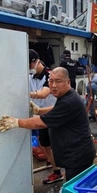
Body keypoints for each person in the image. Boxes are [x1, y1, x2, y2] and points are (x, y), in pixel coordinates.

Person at [0, 67, 95, 182]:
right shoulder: (67, 95)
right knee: (76, 188)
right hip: (76, 153)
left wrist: (15, 122)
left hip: (78, 156)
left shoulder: (69, 101)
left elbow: (40, 123)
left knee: (76, 192)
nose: (53, 85)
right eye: (51, 81)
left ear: (68, 82)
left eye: (58, 81)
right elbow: (55, 109)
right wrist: (39, 111)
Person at [29, 49, 63, 184]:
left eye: (30, 65)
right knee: (43, 143)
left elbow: (43, 94)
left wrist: (28, 94)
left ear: (36, 62)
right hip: (39, 115)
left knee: (50, 144)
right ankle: (54, 162)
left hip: (51, 115)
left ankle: (57, 171)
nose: (29, 69)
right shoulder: (30, 76)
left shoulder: (49, 76)